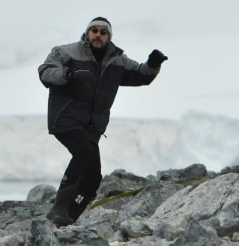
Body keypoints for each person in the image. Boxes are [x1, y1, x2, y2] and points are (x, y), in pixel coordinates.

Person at [38, 16, 168, 227]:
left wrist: (153, 64)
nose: (98, 34)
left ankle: (68, 219)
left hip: (92, 126)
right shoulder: (66, 52)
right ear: (88, 33)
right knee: (84, 154)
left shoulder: (117, 60)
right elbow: (45, 73)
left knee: (93, 177)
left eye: (103, 32)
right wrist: (69, 74)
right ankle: (58, 209)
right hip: (66, 117)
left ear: (108, 37)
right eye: (94, 30)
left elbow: (142, 75)